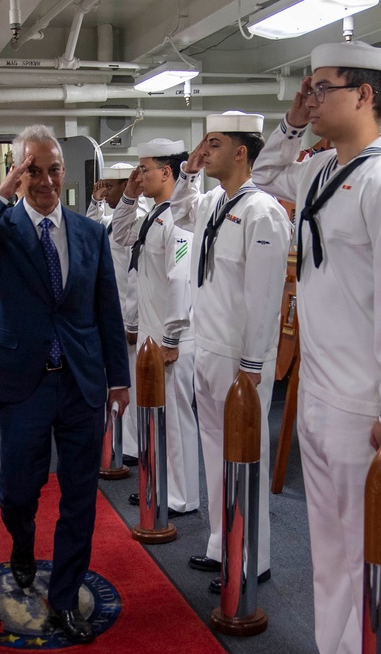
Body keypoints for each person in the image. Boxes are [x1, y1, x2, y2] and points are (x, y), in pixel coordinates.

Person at [251, 41, 381, 654]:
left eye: (322, 87)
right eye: (307, 88)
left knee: (363, 547)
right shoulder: (323, 170)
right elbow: (263, 177)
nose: (311, 96)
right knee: (328, 546)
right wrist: (290, 123)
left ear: (364, 94)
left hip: (365, 403)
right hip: (319, 392)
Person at [0, 125, 129, 643]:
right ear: (19, 170)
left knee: (80, 495)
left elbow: (106, 310)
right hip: (22, 383)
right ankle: (22, 545)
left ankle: (66, 597)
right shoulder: (1, 227)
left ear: (64, 173)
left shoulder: (89, 232)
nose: (45, 180)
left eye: (53, 170)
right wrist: (2, 193)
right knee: (17, 492)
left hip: (80, 383)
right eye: (33, 170)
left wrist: (117, 377)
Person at [169, 111, 292, 594]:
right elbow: (180, 212)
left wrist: (254, 365)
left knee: (246, 456)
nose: (206, 151)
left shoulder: (263, 211)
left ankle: (252, 558)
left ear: (241, 151)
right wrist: (187, 171)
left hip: (242, 357)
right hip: (208, 346)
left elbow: (265, 296)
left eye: (214, 144)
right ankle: (223, 542)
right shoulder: (217, 201)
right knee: (217, 452)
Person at [111, 139, 200, 515]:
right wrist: (129, 196)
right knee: (156, 418)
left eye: (144, 169)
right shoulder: (155, 214)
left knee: (176, 421)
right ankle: (160, 484)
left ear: (167, 172)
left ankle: (182, 497)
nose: (138, 175)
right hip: (150, 332)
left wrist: (171, 337)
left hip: (170, 337)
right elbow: (119, 235)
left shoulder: (179, 221)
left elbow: (180, 280)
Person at [86, 161, 145, 466]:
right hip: (112, 313)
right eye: (104, 185)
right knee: (115, 381)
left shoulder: (141, 219)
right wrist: (95, 201)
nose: (106, 190)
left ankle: (133, 447)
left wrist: (132, 320)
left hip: (129, 314)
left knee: (131, 381)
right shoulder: (114, 220)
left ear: (128, 185)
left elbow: (136, 274)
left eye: (111, 185)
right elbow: (95, 231)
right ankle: (121, 440)